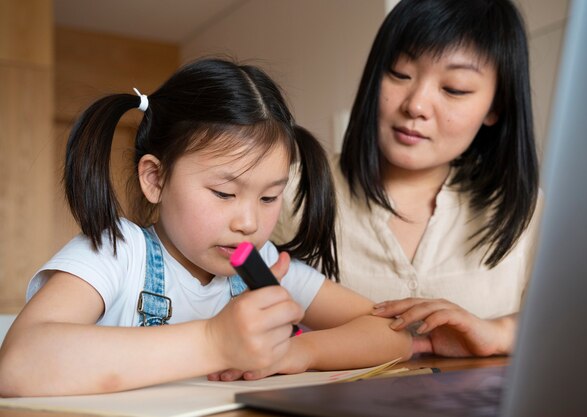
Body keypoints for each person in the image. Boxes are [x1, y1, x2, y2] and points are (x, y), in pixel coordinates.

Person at [0, 58, 411, 397]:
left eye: (269, 198)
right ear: (155, 179)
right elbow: (18, 366)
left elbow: (393, 332)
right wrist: (215, 341)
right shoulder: (117, 252)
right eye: (223, 193)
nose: (249, 222)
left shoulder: (262, 266)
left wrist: (298, 352)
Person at [273, 0, 541, 358]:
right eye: (400, 73)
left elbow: (583, 321)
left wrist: (500, 332)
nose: (416, 105)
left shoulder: (526, 209)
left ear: (495, 107)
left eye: (454, 88)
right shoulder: (290, 189)